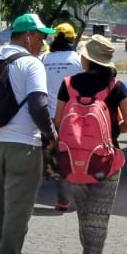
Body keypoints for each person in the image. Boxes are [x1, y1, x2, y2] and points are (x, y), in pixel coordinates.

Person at [0, 12, 56, 254]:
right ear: (28, 36)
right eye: (42, 37)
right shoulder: (31, 63)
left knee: (0, 202)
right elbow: (39, 104)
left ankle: (7, 249)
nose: (44, 42)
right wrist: (51, 135)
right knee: (18, 206)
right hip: (23, 144)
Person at [56, 35, 127, 254]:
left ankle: (88, 252)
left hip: (73, 160)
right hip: (106, 161)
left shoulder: (68, 84)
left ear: (87, 59)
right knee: (99, 217)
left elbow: (57, 121)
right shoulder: (116, 87)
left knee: (84, 213)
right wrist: (112, 132)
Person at [42, 21, 82, 211]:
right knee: (77, 156)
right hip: (75, 117)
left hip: (50, 117)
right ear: (72, 38)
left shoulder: (44, 58)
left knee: (57, 157)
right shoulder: (79, 59)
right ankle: (82, 195)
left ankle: (62, 199)